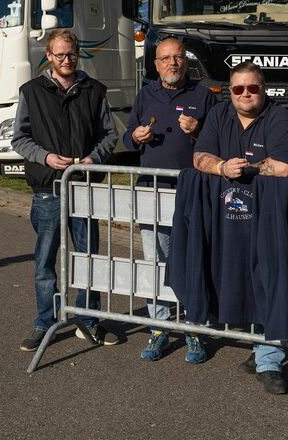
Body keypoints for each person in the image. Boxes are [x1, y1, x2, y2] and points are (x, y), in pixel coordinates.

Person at [193, 61, 288, 394]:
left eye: (253, 88)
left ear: (263, 88)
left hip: (268, 216)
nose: (246, 94)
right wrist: (222, 165)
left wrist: (246, 168)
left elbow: (283, 167)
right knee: (229, 276)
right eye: (239, 89)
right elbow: (198, 158)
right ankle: (254, 345)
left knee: (268, 279)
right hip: (226, 216)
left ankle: (269, 359)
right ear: (229, 91)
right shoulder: (219, 114)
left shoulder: (278, 116)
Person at [12, 29, 119, 351]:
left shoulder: (95, 90)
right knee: (45, 261)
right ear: (48, 56)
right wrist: (44, 157)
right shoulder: (31, 91)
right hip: (48, 190)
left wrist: (92, 158)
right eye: (59, 55)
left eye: (71, 54)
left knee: (89, 258)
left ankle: (88, 320)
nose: (66, 60)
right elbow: (19, 138)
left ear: (78, 54)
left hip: (85, 189)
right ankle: (45, 321)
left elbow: (110, 135)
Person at [123, 37, 217, 363]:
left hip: (190, 193)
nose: (172, 63)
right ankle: (159, 326)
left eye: (177, 58)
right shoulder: (146, 93)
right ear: (156, 64)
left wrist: (197, 131)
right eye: (165, 58)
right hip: (151, 189)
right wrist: (135, 136)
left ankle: (194, 328)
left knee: (192, 259)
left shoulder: (203, 96)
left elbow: (218, 143)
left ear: (186, 62)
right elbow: (128, 135)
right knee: (154, 260)